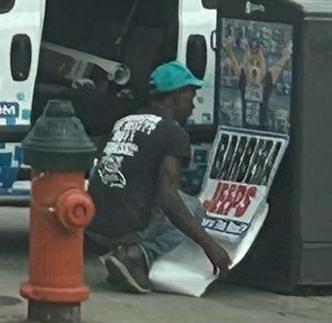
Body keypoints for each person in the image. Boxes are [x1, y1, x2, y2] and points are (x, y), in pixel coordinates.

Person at [86, 60, 234, 293]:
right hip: (122, 226)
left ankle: (121, 258)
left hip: (92, 222)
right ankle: (138, 255)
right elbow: (168, 198)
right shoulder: (172, 132)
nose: (193, 106)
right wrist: (210, 246)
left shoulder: (123, 122)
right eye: (191, 97)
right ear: (176, 96)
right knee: (192, 206)